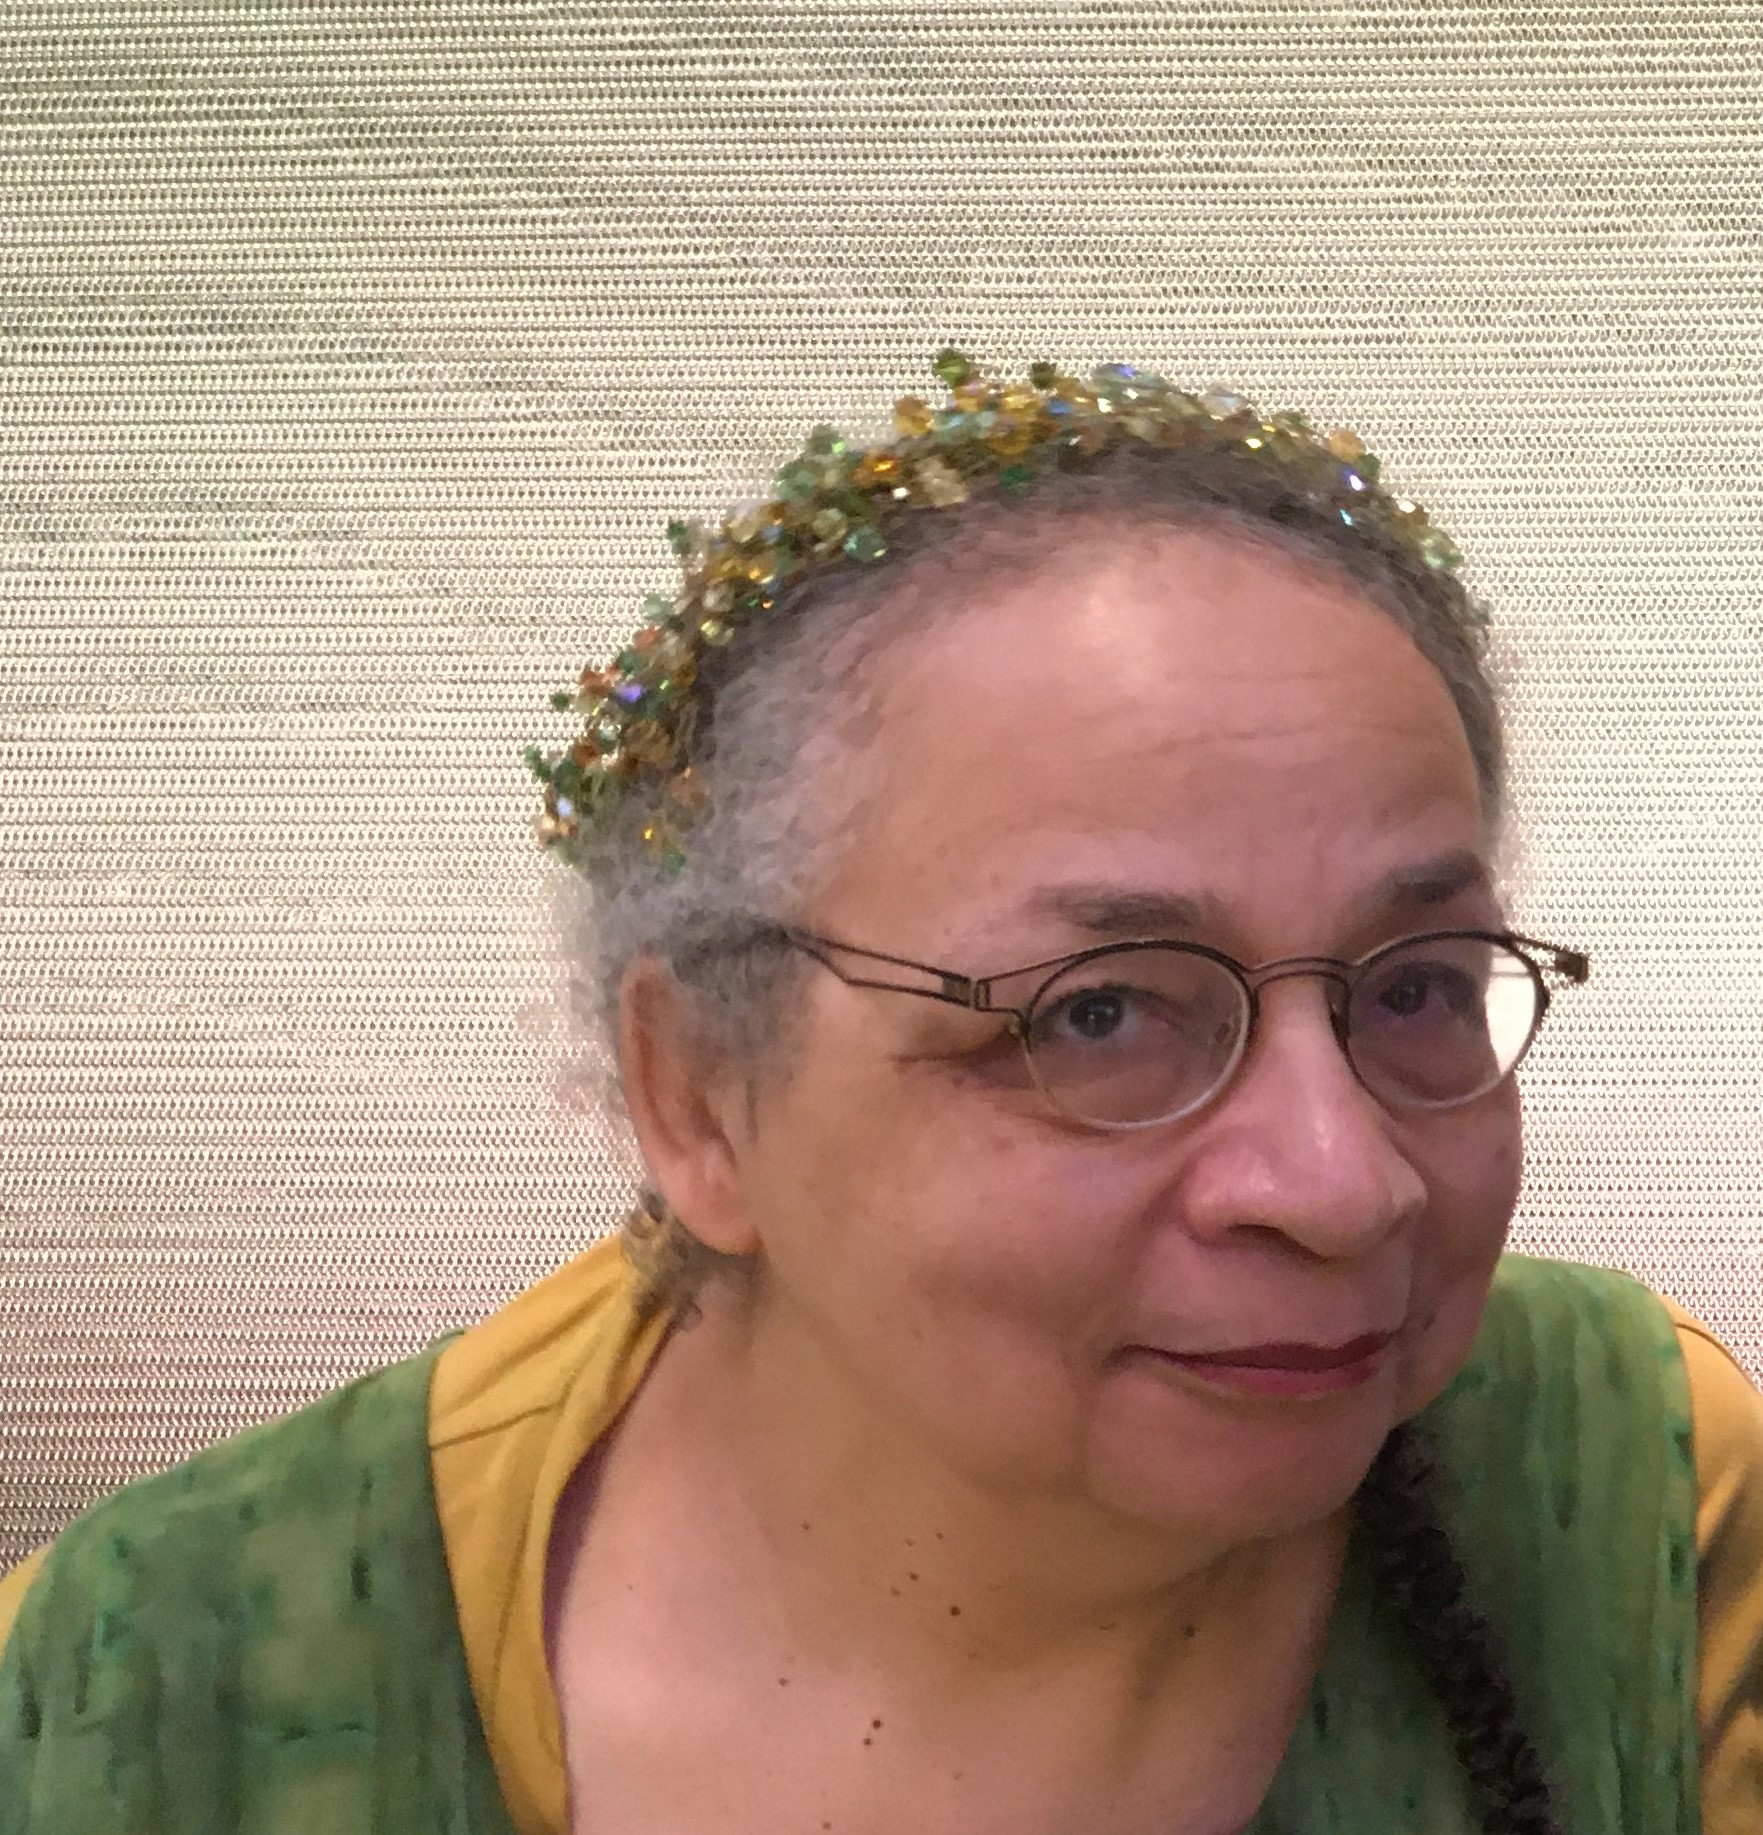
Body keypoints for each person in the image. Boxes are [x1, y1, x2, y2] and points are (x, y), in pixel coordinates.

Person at [2, 353, 1760, 1834]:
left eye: (1416, 991)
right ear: (699, 1098)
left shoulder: (1641, 1492)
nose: (1342, 1180)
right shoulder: (138, 1696)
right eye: (1098, 1019)